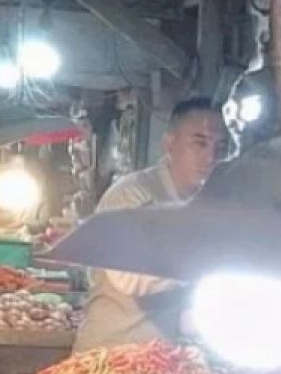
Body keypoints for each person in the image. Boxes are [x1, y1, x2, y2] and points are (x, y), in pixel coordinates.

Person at [73, 97, 229, 352]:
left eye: (220, 147)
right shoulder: (132, 196)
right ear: (169, 144)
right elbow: (130, 277)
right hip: (110, 356)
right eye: (199, 143)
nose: (210, 156)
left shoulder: (208, 207)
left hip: (162, 358)